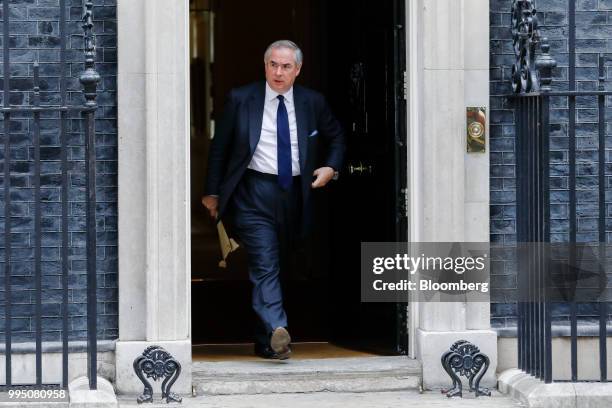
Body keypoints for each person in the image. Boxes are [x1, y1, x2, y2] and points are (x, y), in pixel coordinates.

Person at [202, 40, 345, 359]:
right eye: (273, 65)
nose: (278, 72)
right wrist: (211, 192)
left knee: (283, 264)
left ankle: (267, 340)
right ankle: (279, 326)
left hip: (297, 194)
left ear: (298, 70)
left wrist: (331, 167)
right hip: (254, 193)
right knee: (265, 263)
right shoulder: (241, 99)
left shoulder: (313, 102)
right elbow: (220, 147)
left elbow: (335, 136)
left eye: (286, 66)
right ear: (265, 66)